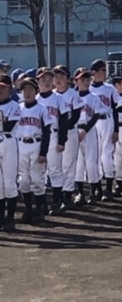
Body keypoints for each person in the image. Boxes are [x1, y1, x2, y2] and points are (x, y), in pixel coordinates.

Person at [16, 77, 51, 225]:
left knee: (37, 179)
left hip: (36, 144)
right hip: (21, 145)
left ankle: (40, 211)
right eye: (24, 90)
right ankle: (28, 210)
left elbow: (47, 131)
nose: (27, 92)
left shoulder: (42, 109)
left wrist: (43, 152)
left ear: (36, 91)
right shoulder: (18, 108)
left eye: (30, 89)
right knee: (23, 180)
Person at [36, 67, 70, 216]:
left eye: (49, 79)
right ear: (38, 82)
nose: (47, 82)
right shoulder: (34, 99)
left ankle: (57, 202)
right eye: (43, 79)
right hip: (38, 138)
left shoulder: (58, 99)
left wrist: (62, 141)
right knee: (39, 173)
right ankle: (42, 204)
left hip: (54, 136)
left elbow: (63, 121)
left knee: (55, 170)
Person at [53, 65, 84, 211]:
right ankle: (57, 197)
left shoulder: (73, 94)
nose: (58, 79)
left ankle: (67, 196)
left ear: (68, 79)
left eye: (62, 76)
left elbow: (76, 115)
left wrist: (64, 129)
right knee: (55, 165)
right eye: (56, 76)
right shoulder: (51, 95)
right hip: (54, 134)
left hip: (70, 133)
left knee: (68, 164)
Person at [89, 59, 119, 201]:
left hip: (107, 120)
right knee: (93, 156)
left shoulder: (110, 88)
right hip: (92, 123)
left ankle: (108, 188)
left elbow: (115, 109)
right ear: (94, 72)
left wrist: (116, 130)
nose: (105, 73)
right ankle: (96, 189)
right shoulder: (87, 88)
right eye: (103, 70)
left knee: (106, 154)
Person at [73, 67, 104, 206]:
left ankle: (93, 191)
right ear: (76, 81)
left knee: (91, 162)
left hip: (89, 131)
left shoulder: (93, 97)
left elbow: (96, 116)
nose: (85, 82)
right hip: (74, 130)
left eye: (87, 79)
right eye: (82, 79)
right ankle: (80, 193)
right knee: (78, 163)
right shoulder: (72, 97)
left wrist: (85, 131)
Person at [0, 74, 20, 232]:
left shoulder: (14, 105)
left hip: (8, 142)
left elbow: (7, 127)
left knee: (9, 181)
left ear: (9, 89)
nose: (0, 90)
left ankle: (10, 217)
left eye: (3, 88)